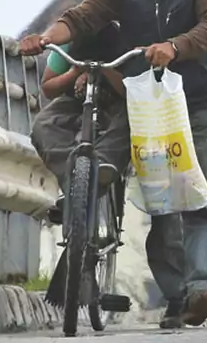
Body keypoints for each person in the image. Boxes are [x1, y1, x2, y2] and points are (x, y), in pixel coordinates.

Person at [18, 0, 207, 329]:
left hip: (195, 101)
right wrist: (47, 36)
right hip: (150, 107)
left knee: (201, 201)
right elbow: (81, 17)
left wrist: (175, 46)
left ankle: (203, 287)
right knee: (165, 208)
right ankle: (179, 297)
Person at [29, 21, 131, 222]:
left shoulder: (128, 36)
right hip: (76, 99)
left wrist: (103, 71)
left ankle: (102, 167)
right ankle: (75, 182)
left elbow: (131, 91)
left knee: (132, 119)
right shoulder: (68, 39)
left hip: (118, 99)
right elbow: (48, 87)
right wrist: (75, 72)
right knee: (43, 124)